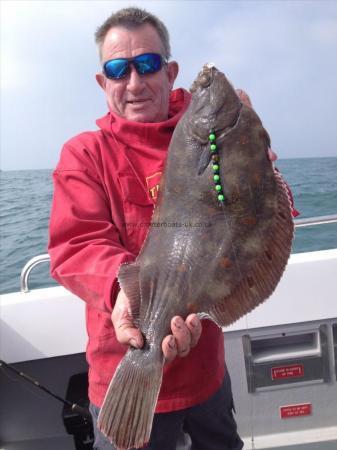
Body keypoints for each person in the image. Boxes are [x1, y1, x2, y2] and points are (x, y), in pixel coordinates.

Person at [48, 7, 298, 450]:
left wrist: (263, 171)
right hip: (122, 361)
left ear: (169, 71)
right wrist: (124, 293)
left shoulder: (217, 130)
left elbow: (262, 219)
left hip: (205, 368)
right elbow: (76, 246)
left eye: (147, 65)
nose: (134, 83)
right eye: (117, 69)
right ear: (102, 81)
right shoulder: (85, 155)